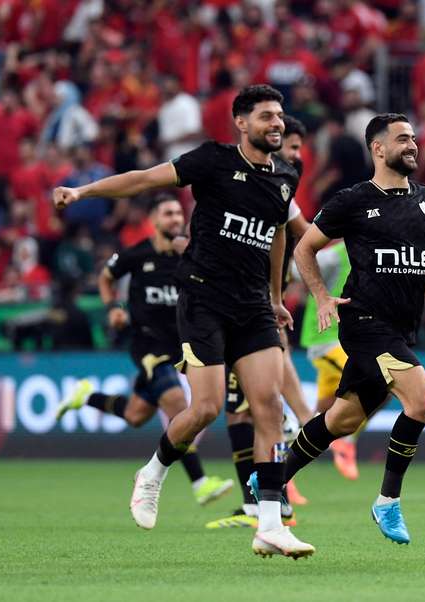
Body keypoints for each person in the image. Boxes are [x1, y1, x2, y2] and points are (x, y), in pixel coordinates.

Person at [53, 84, 314, 558]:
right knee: (205, 409)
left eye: (280, 116)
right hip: (203, 300)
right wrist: (84, 189)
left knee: (270, 407)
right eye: (266, 116)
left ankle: (270, 524)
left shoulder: (285, 177)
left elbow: (278, 237)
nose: (276, 123)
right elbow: (142, 180)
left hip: (254, 304)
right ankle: (153, 472)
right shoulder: (212, 160)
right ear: (241, 122)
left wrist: (276, 297)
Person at [290, 113, 425, 544]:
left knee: (342, 419)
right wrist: (321, 296)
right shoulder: (352, 199)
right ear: (378, 149)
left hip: (402, 329)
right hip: (365, 323)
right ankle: (387, 502)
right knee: (422, 401)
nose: (413, 145)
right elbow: (304, 247)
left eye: (414, 139)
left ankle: (272, 477)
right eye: (402, 139)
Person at [55, 196, 234, 507]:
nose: (176, 219)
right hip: (148, 344)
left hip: (181, 344)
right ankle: (201, 483)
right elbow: (106, 277)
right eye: (168, 213)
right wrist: (113, 307)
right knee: (179, 406)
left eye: (179, 213)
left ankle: (85, 396)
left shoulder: (189, 257)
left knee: (135, 414)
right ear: (153, 219)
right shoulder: (137, 254)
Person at [209, 115, 315, 530]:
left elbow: (307, 235)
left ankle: (269, 500)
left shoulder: (281, 188)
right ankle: (262, 503)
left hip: (253, 306)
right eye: (290, 146)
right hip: (247, 300)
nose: (295, 154)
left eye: (299, 147)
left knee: (251, 409)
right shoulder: (260, 184)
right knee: (238, 412)